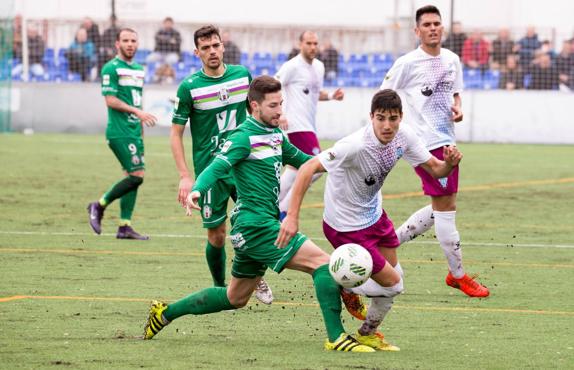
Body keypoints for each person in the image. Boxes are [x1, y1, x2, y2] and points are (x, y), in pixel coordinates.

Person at [143, 75, 375, 353]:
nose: (280, 111)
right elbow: (217, 166)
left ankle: (165, 313)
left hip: (252, 227)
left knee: (235, 297)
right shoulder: (243, 136)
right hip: (257, 226)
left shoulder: (275, 135)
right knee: (324, 265)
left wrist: (346, 160)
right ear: (254, 106)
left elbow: (307, 162)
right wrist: (197, 189)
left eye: (282, 104)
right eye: (273, 105)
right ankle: (336, 337)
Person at [277, 89, 463, 351]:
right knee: (394, 285)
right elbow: (307, 168)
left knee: (395, 276)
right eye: (381, 118)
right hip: (344, 225)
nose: (387, 125)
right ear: (371, 117)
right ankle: (344, 284)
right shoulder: (354, 145)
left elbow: (436, 169)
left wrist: (450, 164)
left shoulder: (405, 136)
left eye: (393, 118)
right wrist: (292, 216)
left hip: (375, 216)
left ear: (401, 117)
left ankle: (367, 331)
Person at [380, 5, 489, 298]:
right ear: (417, 31)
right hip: (421, 141)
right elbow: (383, 95)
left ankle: (389, 241)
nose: (432, 28)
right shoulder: (407, 63)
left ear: (443, 28)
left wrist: (458, 109)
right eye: (426, 24)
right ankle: (458, 275)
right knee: (447, 209)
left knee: (442, 205)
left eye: (436, 23)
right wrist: (393, 128)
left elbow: (455, 94)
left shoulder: (452, 60)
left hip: (446, 139)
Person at [170, 25, 273, 304]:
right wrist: (184, 176)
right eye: (205, 48)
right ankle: (220, 288)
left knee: (257, 222)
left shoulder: (242, 76)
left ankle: (254, 275)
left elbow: (256, 112)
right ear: (196, 52)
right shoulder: (189, 87)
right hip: (211, 170)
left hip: (244, 166)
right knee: (216, 235)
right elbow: (176, 133)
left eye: (215, 45)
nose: (212, 51)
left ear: (222, 46)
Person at [87, 28, 157, 239]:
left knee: (131, 175)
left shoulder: (138, 69)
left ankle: (124, 226)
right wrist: (138, 112)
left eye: (133, 40)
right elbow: (110, 100)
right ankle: (98, 205)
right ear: (117, 44)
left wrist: (140, 129)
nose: (130, 44)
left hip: (134, 131)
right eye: (125, 40)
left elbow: (137, 100)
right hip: (119, 132)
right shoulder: (111, 68)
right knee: (137, 176)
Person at [274, 30, 344, 219]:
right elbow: (273, 85)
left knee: (295, 169)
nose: (313, 47)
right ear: (300, 44)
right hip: (296, 125)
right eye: (309, 43)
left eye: (315, 43)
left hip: (309, 125)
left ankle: (269, 205)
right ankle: (283, 210)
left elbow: (315, 93)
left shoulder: (319, 67)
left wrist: (331, 96)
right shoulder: (292, 66)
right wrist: (280, 113)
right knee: (317, 166)